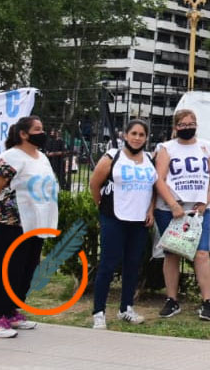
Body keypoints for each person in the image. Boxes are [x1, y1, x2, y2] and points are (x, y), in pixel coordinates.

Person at [0, 115, 59, 339]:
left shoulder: (41, 157)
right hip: (12, 223)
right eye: (37, 129)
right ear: (23, 134)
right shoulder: (11, 156)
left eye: (42, 128)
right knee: (7, 269)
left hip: (36, 223)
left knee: (26, 268)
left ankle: (12, 312)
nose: (41, 133)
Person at [88, 118, 157, 329]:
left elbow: (154, 188)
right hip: (114, 218)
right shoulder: (112, 156)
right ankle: (99, 312)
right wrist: (103, 208)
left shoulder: (150, 159)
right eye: (133, 133)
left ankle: (126, 308)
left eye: (141, 134)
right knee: (108, 265)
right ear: (125, 135)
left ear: (146, 138)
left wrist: (151, 210)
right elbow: (94, 184)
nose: (137, 138)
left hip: (139, 222)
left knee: (133, 265)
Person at [153, 108, 210, 321]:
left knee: (202, 254)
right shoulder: (166, 148)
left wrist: (206, 199)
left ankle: (207, 302)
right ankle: (171, 300)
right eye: (182, 124)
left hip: (198, 210)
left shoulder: (206, 147)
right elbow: (159, 179)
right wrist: (173, 204)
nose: (187, 127)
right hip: (171, 210)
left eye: (191, 124)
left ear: (196, 125)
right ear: (175, 127)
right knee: (171, 254)